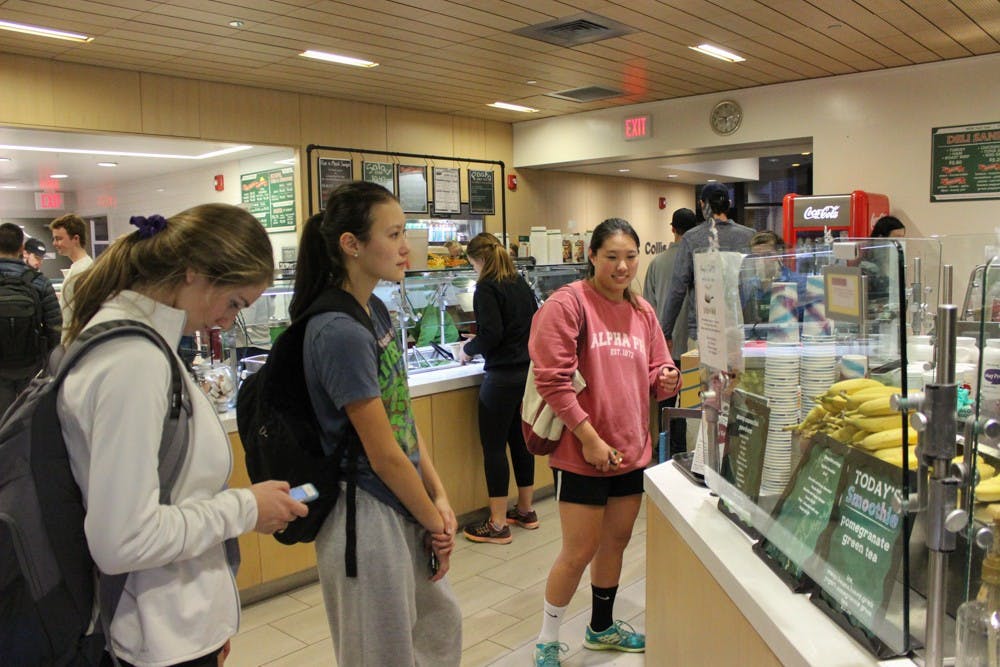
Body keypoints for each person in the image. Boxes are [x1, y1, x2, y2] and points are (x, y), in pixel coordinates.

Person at [58, 204, 308, 666]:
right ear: (194, 273)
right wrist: (245, 507)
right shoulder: (133, 361)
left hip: (170, 624)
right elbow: (124, 540)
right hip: (154, 635)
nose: (228, 321)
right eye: (234, 303)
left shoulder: (141, 342)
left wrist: (210, 617)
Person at [293, 182, 462, 666]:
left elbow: (400, 414)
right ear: (352, 244)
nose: (406, 247)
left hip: (405, 499)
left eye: (404, 232)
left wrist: (438, 495)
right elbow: (382, 453)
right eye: (393, 234)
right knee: (381, 652)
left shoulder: (376, 310)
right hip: (364, 511)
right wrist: (434, 521)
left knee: (438, 628)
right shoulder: (338, 331)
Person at [529, 218, 681, 666]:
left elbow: (657, 368)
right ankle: (547, 639)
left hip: (630, 449)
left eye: (630, 257)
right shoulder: (568, 304)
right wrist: (589, 439)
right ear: (592, 256)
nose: (622, 267)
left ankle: (601, 628)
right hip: (581, 452)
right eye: (612, 257)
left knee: (615, 542)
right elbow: (552, 381)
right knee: (578, 550)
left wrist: (666, 377)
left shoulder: (642, 311)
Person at [457, 232, 539, 544]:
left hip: (501, 379)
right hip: (526, 374)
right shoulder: (519, 282)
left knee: (494, 448)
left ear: (479, 260)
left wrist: (467, 350)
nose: (474, 270)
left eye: (472, 264)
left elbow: (491, 335)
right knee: (521, 443)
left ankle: (497, 523)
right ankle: (526, 510)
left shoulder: (486, 286)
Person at [659, 183, 754, 354]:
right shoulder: (749, 236)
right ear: (729, 204)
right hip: (742, 331)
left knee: (701, 372)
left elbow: (677, 290)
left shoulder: (691, 238)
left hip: (703, 332)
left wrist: (665, 333)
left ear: (702, 204)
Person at [643, 207, 698, 458]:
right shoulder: (698, 262)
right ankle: (682, 450)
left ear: (673, 228)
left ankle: (663, 450)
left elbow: (648, 306)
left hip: (663, 348)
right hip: (693, 347)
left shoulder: (657, 263)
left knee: (665, 403)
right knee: (689, 403)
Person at [0, 223, 62, 413]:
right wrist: (47, 363)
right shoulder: (39, 281)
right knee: (28, 417)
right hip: (31, 365)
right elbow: (55, 327)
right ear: (22, 248)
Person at [739, 230, 807, 334]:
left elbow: (806, 322)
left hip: (788, 338)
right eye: (756, 256)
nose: (761, 260)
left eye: (767, 255)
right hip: (756, 340)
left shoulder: (798, 283)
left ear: (779, 255)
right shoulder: (749, 286)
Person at [50, 213, 94, 341]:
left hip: (76, 341)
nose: (54, 243)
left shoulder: (82, 271)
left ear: (75, 239)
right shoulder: (77, 269)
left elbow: (83, 316)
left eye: (59, 239)